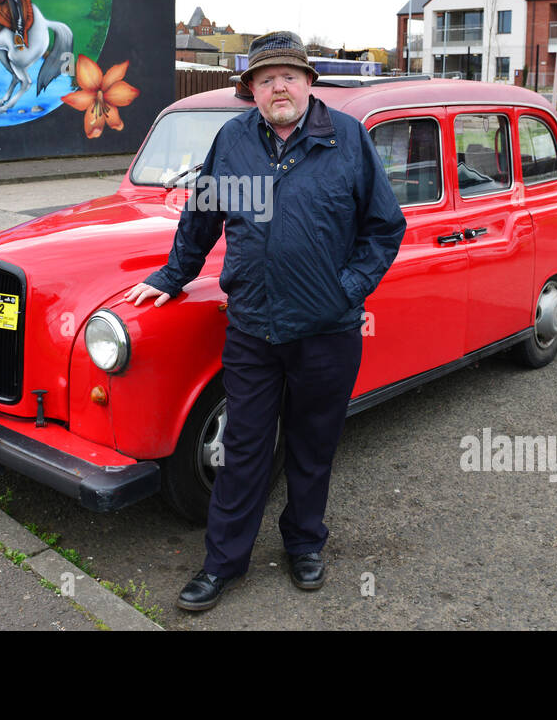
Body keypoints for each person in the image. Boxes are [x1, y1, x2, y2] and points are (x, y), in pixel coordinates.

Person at [123, 30, 406, 612]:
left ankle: (304, 544)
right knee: (244, 448)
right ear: (250, 89)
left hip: (327, 332)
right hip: (252, 327)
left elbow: (385, 228)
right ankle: (223, 564)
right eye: (266, 78)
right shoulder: (233, 141)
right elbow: (201, 217)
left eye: (290, 76)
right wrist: (170, 277)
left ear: (308, 83)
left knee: (312, 444)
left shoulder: (347, 139)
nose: (280, 87)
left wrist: (344, 290)